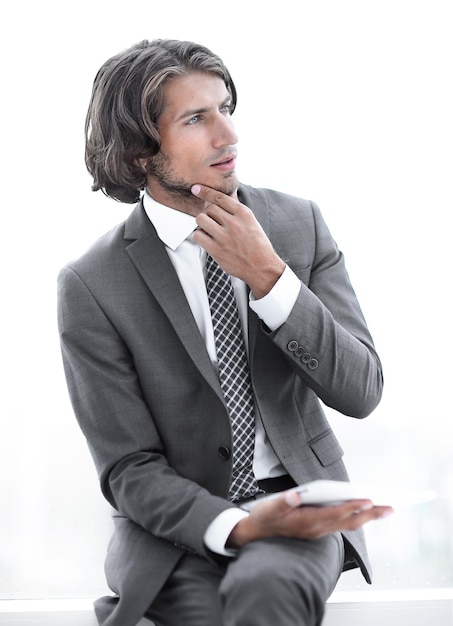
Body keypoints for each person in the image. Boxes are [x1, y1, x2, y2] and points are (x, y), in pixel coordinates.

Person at [57, 39, 393, 626]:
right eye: (196, 118)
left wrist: (270, 278)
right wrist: (237, 525)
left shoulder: (298, 224)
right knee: (205, 612)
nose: (228, 135)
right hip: (173, 530)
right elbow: (128, 467)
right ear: (139, 154)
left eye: (226, 108)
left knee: (266, 593)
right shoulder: (91, 283)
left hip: (295, 506)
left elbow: (361, 391)